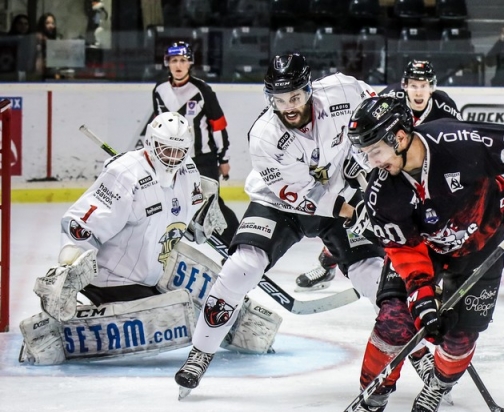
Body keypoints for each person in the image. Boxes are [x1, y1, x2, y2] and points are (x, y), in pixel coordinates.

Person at [336, 95, 504, 412]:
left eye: (375, 150)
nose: (370, 161)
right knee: (394, 321)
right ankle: (372, 398)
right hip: (425, 251)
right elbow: (405, 248)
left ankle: (440, 382)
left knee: (459, 339)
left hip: (481, 244)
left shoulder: (459, 141)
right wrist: (422, 295)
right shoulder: (381, 192)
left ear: (400, 137)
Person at [174, 53, 385, 394]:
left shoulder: (345, 91)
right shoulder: (263, 136)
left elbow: (379, 115)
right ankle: (200, 352)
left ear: (309, 89)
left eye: (296, 97)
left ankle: (418, 354)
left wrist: (361, 161)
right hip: (281, 203)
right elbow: (298, 195)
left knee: (374, 274)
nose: (288, 106)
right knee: (241, 268)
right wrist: (352, 209)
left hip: (339, 191)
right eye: (280, 99)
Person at [19, 112, 278, 365]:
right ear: (151, 144)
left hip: (153, 268)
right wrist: (68, 269)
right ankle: (52, 334)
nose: (173, 158)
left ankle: (242, 319)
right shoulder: (124, 175)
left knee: (205, 287)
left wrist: (199, 214)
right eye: (166, 150)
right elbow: (82, 225)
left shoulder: (188, 170)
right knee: (176, 317)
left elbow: (181, 215)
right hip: (113, 278)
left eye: (179, 151)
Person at [295, 59, 463, 292]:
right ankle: (329, 260)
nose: (418, 91)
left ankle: (429, 275)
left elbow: (454, 145)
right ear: (405, 85)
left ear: (432, 87)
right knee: (371, 221)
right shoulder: (389, 98)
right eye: (413, 85)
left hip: (421, 171)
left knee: (426, 223)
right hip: (388, 168)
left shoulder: (445, 107)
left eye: (423, 85)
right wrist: (354, 160)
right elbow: (362, 129)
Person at [153, 41, 239, 245]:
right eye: (174, 60)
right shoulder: (159, 90)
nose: (178, 65)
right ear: (168, 63)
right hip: (173, 161)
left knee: (212, 205)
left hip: (203, 159)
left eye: (182, 60)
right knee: (168, 202)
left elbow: (218, 126)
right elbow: (158, 127)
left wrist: (223, 158)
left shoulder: (202, 90)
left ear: (190, 63)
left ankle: (237, 245)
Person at [34, 13, 58, 78]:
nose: (51, 26)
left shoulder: (53, 40)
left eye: (52, 23)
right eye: (47, 23)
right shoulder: (37, 39)